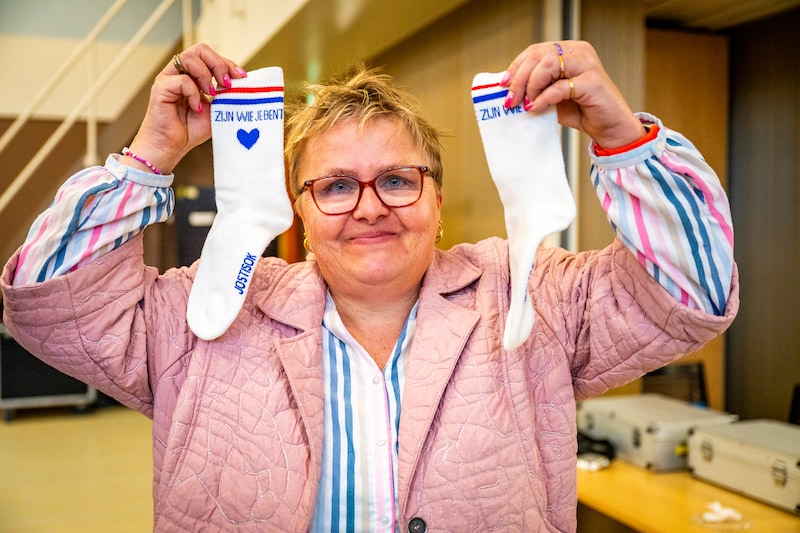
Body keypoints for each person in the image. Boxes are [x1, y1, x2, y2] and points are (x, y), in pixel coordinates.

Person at [0, 40, 737, 532]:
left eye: (396, 179)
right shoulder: (204, 313)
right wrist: (150, 155)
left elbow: (691, 289)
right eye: (335, 186)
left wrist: (623, 139)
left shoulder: (533, 295)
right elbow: (47, 302)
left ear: (437, 200)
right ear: (299, 210)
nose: (370, 207)